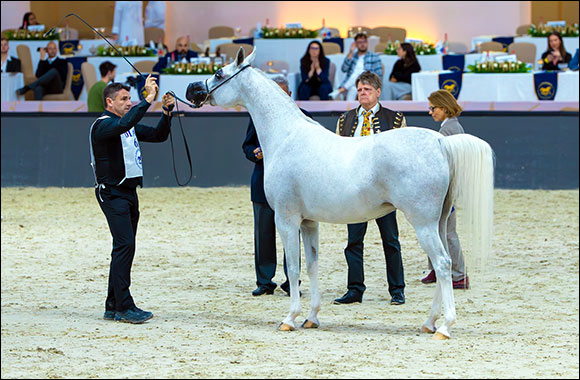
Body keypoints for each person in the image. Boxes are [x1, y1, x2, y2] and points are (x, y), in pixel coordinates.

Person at [90, 75, 174, 324]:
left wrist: (166, 113)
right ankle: (124, 306)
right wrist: (148, 99)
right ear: (109, 102)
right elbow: (121, 126)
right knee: (124, 246)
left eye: (130, 98)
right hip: (112, 192)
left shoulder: (126, 125)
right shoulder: (103, 125)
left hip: (128, 192)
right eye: (123, 99)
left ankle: (113, 304)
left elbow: (159, 135)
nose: (128, 102)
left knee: (124, 247)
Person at [333, 71, 406, 306]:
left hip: (384, 191)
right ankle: (355, 289)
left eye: (367, 89)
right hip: (355, 190)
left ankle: (397, 289)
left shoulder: (395, 119)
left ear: (378, 92)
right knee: (354, 241)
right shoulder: (344, 120)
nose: (362, 93)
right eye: (360, 89)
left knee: (391, 240)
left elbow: (400, 156)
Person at [242, 76, 312, 296]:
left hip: (294, 188)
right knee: (263, 234)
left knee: (292, 234)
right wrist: (255, 153)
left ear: (290, 95)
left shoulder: (304, 118)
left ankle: (292, 281)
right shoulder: (258, 118)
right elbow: (247, 146)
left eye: (283, 93)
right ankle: (264, 281)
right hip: (264, 182)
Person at [420, 89, 469, 289]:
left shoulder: (447, 131)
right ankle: (435, 267)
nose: (430, 112)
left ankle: (459, 274)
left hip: (447, 188)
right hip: (447, 186)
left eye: (433, 108)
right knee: (436, 228)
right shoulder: (452, 127)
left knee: (447, 231)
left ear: (444, 108)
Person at [329, 33, 382, 101]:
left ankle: (339, 91)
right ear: (355, 44)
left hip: (368, 82)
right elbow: (344, 69)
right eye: (360, 42)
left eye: (364, 42)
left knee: (359, 74)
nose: (363, 44)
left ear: (367, 43)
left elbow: (378, 75)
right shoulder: (353, 56)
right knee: (353, 89)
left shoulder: (374, 57)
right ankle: (349, 110)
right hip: (354, 85)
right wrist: (350, 52)